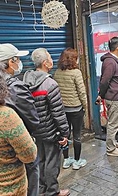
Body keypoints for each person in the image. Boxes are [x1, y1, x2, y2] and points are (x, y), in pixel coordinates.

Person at [23, 48, 70, 196]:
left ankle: (41, 189)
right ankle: (53, 191)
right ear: (45, 63)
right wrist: (64, 133)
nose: (52, 60)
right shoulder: (50, 84)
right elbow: (58, 113)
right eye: (49, 57)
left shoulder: (25, 81)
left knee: (40, 160)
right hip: (50, 132)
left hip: (35, 130)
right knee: (52, 162)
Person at [0, 43, 40, 196]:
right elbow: (33, 120)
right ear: (10, 62)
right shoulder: (16, 87)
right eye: (17, 59)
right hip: (18, 152)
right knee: (32, 179)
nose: (19, 63)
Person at [54, 48, 87, 170]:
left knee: (64, 134)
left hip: (63, 109)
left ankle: (66, 160)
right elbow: (82, 92)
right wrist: (85, 106)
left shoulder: (57, 72)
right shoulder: (76, 73)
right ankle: (77, 161)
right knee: (77, 135)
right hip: (76, 109)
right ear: (73, 59)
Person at [96, 37, 118, 157]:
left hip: (116, 96)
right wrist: (101, 95)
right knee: (113, 124)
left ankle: (113, 142)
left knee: (114, 123)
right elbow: (105, 81)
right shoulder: (110, 61)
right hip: (113, 97)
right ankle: (111, 148)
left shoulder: (114, 60)